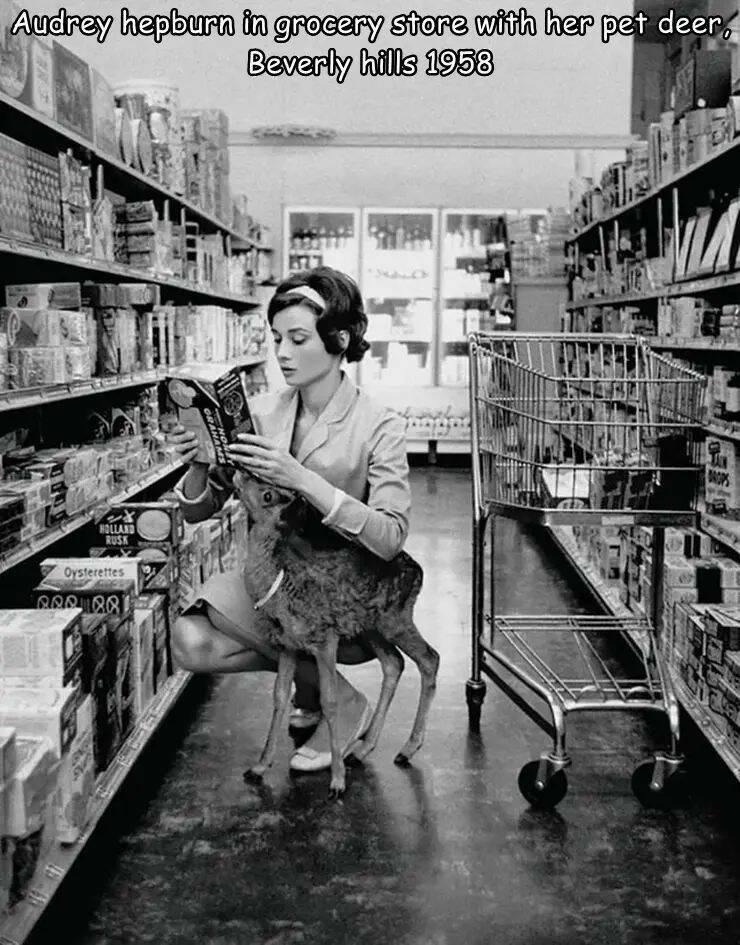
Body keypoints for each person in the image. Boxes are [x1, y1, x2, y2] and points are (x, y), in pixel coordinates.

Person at [168, 267, 412, 772]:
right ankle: (326, 692)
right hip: (277, 583)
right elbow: (197, 511)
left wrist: (304, 480)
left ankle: (334, 698)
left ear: (339, 339)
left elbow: (390, 539)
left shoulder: (380, 426)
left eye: (298, 339)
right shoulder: (259, 413)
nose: (281, 353)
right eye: (276, 338)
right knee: (190, 640)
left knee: (233, 617)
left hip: (343, 594)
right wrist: (198, 459)